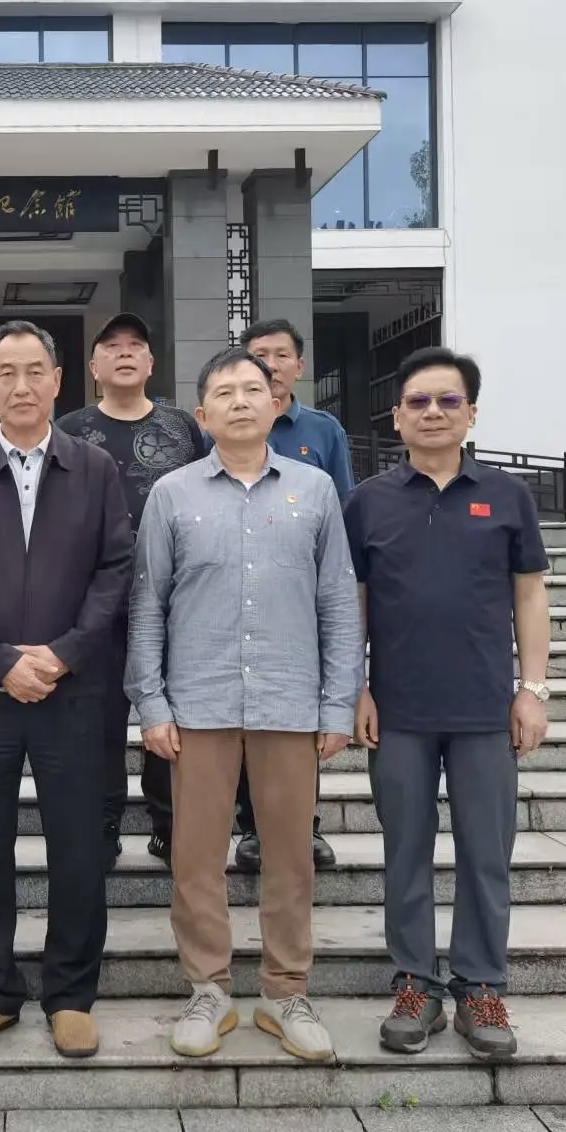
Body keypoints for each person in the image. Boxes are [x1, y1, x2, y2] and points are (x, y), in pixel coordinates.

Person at [128, 348, 362, 1060]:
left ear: (275, 402)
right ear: (202, 415)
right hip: (197, 706)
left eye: (252, 389)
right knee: (195, 858)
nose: (239, 401)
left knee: (290, 857)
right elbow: (148, 602)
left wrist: (338, 704)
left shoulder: (315, 490)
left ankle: (286, 992)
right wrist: (151, 703)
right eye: (224, 392)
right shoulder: (171, 493)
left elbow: (337, 600)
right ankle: (209, 989)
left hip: (289, 703)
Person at [0, 320, 133, 1060]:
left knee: (77, 847)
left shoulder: (93, 468)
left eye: (34, 371)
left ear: (57, 381)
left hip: (73, 692)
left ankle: (70, 993)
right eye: (5, 372)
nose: (20, 386)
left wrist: (66, 653)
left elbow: (116, 568)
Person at [344, 347, 551, 1061]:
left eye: (448, 400)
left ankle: (481, 984)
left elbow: (530, 594)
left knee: (487, 853)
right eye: (419, 402)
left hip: (485, 711)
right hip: (398, 709)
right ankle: (415, 983)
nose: (433, 412)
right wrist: (356, 686)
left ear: (471, 413)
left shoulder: (507, 496)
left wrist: (533, 689)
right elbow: (353, 601)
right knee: (404, 850)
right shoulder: (368, 501)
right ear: (397, 416)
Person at [55, 312, 205, 868]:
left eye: (135, 345)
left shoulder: (182, 428)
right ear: (93, 367)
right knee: (98, 719)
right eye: (112, 346)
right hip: (94, 600)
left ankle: (169, 824)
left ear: (150, 363)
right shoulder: (69, 430)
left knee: (170, 714)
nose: (124, 353)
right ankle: (103, 823)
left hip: (173, 600)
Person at [233, 317, 356, 875]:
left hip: (300, 597)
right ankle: (252, 825)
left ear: (299, 366)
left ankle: (306, 824)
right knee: (242, 714)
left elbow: (343, 511)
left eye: (282, 355)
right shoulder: (227, 422)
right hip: (236, 590)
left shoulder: (323, 431)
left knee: (299, 717)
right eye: (260, 354)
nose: (272, 364)